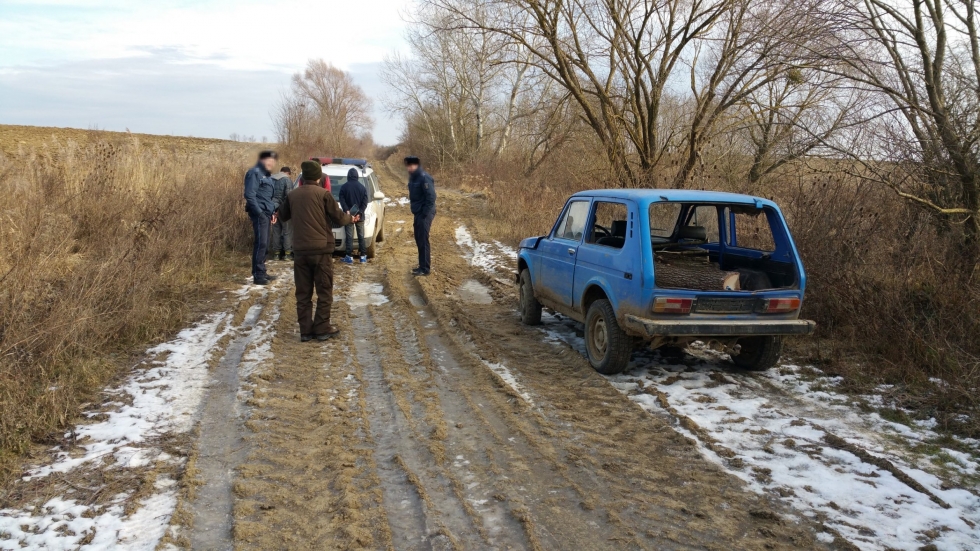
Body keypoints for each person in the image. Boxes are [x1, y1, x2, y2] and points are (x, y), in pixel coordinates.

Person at [277, 161, 359, 342]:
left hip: (300, 251)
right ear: (319, 177)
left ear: (303, 177)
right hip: (321, 250)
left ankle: (305, 331)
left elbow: (282, 216)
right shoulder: (324, 195)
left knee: (303, 293)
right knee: (324, 290)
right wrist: (351, 218)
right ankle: (322, 328)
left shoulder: (292, 195)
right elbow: (338, 217)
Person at [243, 150, 279, 285]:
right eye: (268, 160)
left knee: (265, 244)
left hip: (267, 213)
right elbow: (249, 195)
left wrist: (273, 212)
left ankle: (262, 271)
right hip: (260, 214)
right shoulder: (255, 173)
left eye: (273, 161)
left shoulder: (267, 176)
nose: (271, 163)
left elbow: (268, 197)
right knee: (261, 243)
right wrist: (259, 212)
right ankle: (258, 275)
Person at [405, 156, 436, 276]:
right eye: (408, 165)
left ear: (416, 165)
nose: (409, 168)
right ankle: (421, 265)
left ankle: (425, 269)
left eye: (411, 165)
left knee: (423, 239)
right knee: (418, 238)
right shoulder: (414, 178)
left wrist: (424, 213)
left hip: (425, 213)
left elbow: (431, 197)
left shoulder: (424, 177)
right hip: (418, 212)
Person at [339, 167, 369, 264]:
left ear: (348, 176)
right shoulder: (362, 187)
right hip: (360, 217)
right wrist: (359, 213)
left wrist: (347, 211)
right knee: (361, 236)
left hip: (348, 216)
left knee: (349, 236)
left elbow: (342, 200)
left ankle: (349, 256)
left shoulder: (344, 187)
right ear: (357, 176)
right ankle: (363, 256)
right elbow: (365, 202)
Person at [270, 166, 295, 261]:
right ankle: (287, 254)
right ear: (288, 173)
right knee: (287, 231)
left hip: (272, 209)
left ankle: (276, 254)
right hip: (284, 209)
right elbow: (289, 196)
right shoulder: (287, 180)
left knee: (276, 231)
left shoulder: (271, 179)